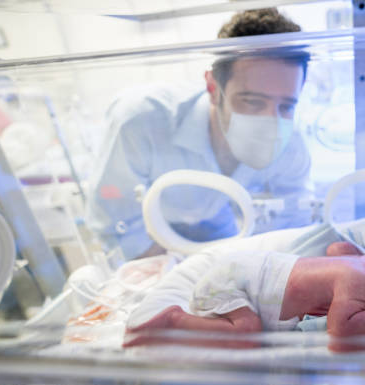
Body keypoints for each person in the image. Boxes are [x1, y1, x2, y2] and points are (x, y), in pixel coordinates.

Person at [86, 8, 312, 260]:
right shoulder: (142, 122)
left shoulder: (291, 144)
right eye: (252, 102)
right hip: (154, 241)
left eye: (286, 106)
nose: (271, 121)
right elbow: (114, 221)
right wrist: (175, 276)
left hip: (225, 235)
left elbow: (292, 226)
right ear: (213, 88)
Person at [124, 222, 365, 346]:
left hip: (249, 271)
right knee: (245, 336)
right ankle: (173, 320)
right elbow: (342, 334)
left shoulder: (355, 263)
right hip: (238, 281)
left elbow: (337, 249)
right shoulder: (356, 276)